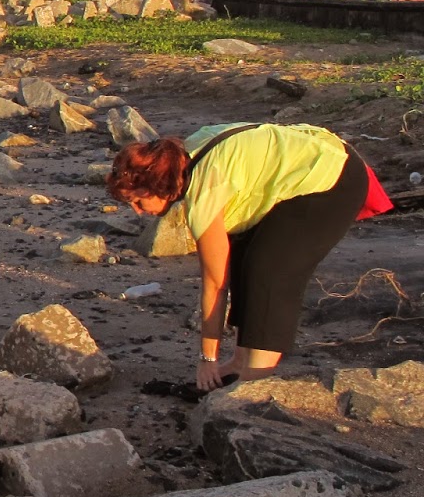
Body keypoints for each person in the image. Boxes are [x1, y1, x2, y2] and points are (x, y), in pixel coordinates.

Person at [106, 123, 381, 391]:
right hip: (310, 162)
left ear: (159, 185)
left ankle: (254, 381)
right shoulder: (182, 156)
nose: (138, 212)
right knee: (243, 255)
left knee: (269, 272)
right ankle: (239, 363)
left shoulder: (204, 193)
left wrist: (207, 359)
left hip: (333, 178)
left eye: (138, 202)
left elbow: (215, 284)